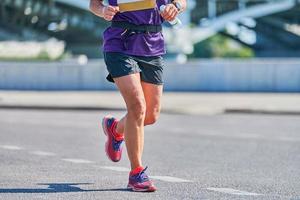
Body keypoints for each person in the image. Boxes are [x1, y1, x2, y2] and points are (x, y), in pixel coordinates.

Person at [89, 0, 186, 192]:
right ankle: (136, 173)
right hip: (120, 43)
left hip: (152, 44)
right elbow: (94, 3)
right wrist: (103, 11)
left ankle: (115, 128)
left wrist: (175, 7)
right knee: (137, 107)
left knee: (150, 116)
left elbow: (182, 1)